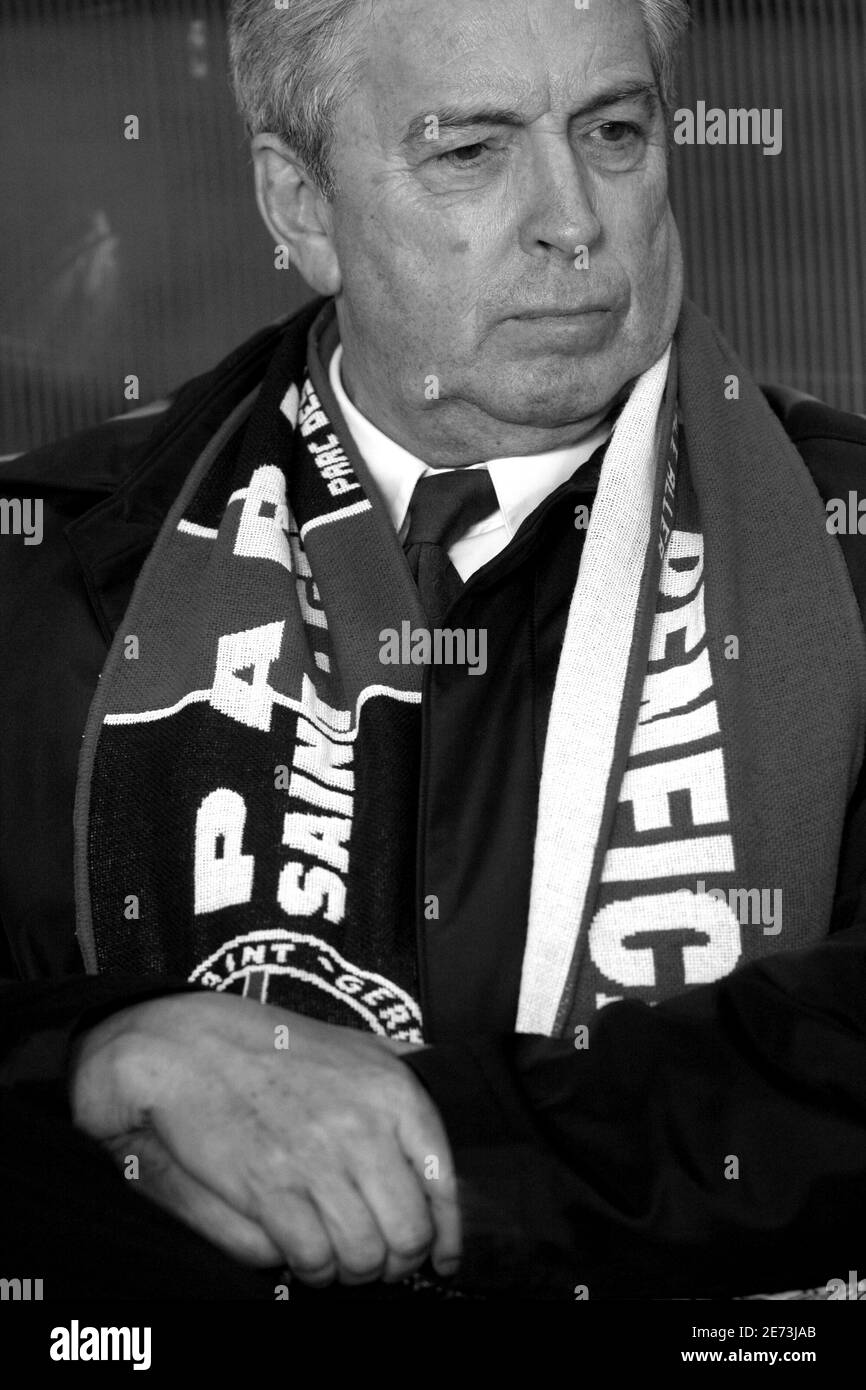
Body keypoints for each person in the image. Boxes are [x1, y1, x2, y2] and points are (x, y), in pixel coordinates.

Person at [2, 0, 866, 1303]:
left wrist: (417, 1156)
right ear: (298, 204)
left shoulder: (842, 545)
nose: (574, 218)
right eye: (471, 152)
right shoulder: (43, 570)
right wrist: (92, 1055)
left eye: (614, 131)